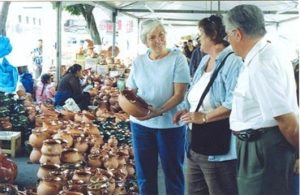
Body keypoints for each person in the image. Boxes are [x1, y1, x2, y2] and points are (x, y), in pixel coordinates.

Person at [224, 4, 299, 195]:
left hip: (262, 148)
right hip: (260, 144)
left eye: (228, 35)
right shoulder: (266, 53)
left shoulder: (261, 64)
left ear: (238, 34)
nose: (228, 41)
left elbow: (287, 121)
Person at [173, 15, 242, 195]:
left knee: (220, 190)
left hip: (217, 143)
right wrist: (186, 111)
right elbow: (197, 95)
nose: (198, 40)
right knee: (194, 190)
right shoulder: (205, 60)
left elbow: (234, 103)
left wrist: (204, 117)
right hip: (195, 140)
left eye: (200, 35)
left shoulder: (233, 61)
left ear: (212, 36)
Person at [126, 19, 190, 195]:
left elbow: (179, 95)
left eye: (161, 34)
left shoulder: (178, 58)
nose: (158, 40)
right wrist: (127, 100)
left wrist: (158, 111)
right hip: (141, 125)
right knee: (145, 173)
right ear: (145, 41)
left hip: (170, 125)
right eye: (152, 37)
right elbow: (131, 91)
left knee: (173, 172)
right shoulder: (138, 61)